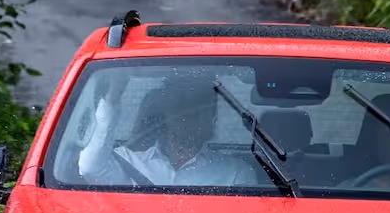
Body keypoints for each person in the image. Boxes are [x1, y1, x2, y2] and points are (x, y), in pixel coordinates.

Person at [75, 72, 262, 187]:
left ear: (212, 118)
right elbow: (89, 168)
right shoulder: (126, 161)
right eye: (180, 107)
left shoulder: (235, 173)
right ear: (164, 115)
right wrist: (112, 98)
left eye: (197, 109)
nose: (187, 115)